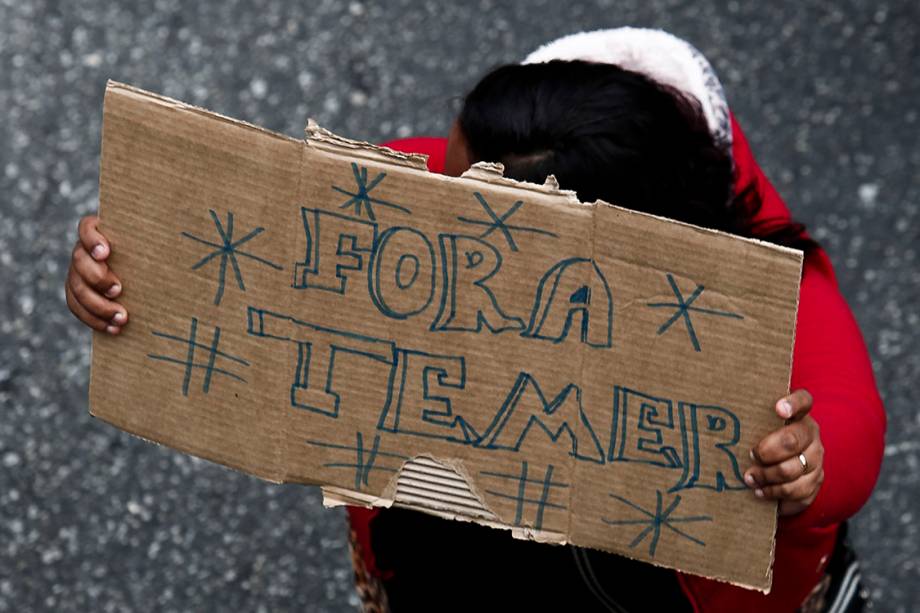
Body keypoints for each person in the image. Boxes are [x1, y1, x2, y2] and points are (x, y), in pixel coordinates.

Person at [67, 28, 885, 613]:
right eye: (443, 184)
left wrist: (805, 464)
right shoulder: (474, 175)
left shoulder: (774, 292)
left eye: (464, 205)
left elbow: (849, 428)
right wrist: (133, 269)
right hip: (441, 555)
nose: (430, 204)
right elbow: (258, 239)